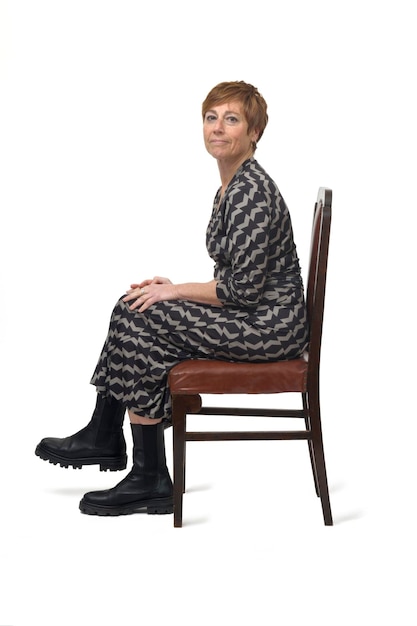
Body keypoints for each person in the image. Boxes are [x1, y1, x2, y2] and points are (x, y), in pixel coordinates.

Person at [35, 80, 309, 517]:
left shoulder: (249, 193)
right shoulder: (231, 185)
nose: (218, 128)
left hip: (270, 330)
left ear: (254, 132)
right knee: (138, 305)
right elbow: (239, 279)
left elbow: (242, 290)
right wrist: (168, 291)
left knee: (143, 316)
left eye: (232, 119)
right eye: (211, 117)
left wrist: (177, 290)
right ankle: (121, 449)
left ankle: (135, 462)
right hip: (256, 317)